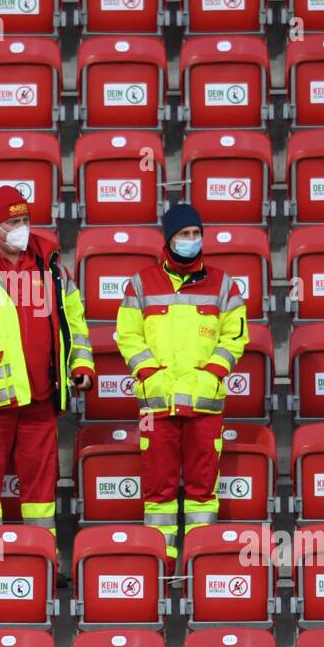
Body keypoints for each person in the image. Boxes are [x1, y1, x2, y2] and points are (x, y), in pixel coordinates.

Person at [0, 187, 95, 537]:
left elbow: (74, 321)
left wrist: (81, 365)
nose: (23, 228)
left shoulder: (51, 266)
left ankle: (43, 560)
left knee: (41, 488)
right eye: (13, 222)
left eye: (25, 220)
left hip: (41, 396)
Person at [114, 203, 250, 572]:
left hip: (205, 404)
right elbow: (127, 336)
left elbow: (235, 337)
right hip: (156, 405)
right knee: (158, 492)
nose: (191, 241)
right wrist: (150, 375)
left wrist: (212, 375)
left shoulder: (223, 284)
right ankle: (163, 566)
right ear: (169, 238)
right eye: (183, 235)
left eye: (195, 234)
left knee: (203, 492)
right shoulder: (140, 284)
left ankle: (198, 564)